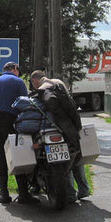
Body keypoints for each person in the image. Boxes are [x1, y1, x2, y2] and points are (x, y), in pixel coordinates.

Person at [30, 70, 89, 202]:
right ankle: (84, 189)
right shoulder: (58, 83)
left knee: (62, 160)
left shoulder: (41, 90)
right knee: (75, 157)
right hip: (70, 127)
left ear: (35, 81)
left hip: (54, 128)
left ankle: (70, 194)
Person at [0, 61, 38, 205]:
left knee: (2, 158)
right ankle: (23, 194)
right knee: (19, 157)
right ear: (15, 69)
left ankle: (3, 194)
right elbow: (26, 104)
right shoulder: (18, 82)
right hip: (13, 123)